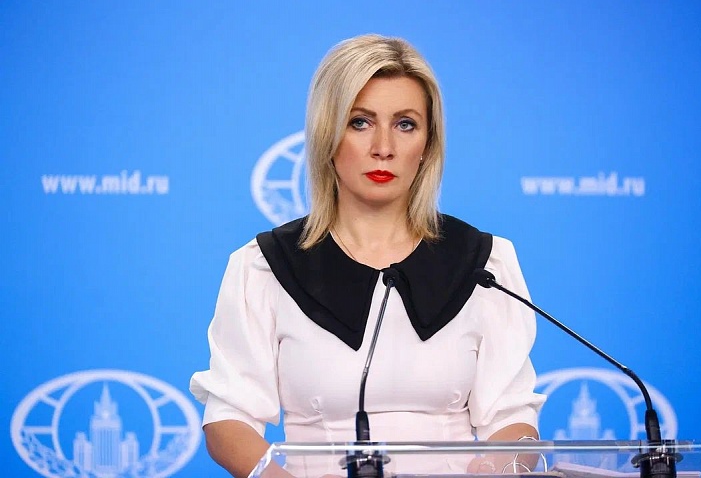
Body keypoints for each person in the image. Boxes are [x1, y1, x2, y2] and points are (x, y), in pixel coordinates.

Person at [190, 34, 546, 477]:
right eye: (360, 122)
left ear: (428, 143)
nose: (384, 147)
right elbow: (229, 421)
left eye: (405, 124)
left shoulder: (484, 264)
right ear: (328, 134)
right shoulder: (264, 266)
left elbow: (513, 419)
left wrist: (493, 470)